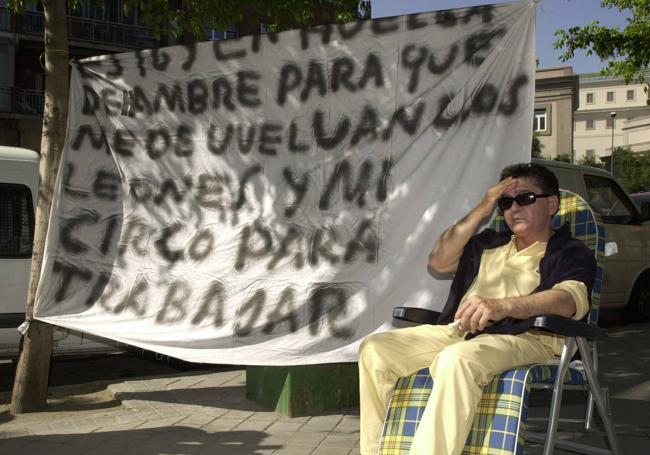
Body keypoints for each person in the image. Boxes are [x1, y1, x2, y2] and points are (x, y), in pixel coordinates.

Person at [358, 162, 596, 455]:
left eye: (525, 198)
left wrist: (502, 306)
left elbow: (567, 301)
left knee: (457, 359)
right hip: (460, 331)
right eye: (505, 203)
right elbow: (438, 260)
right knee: (376, 349)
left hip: (529, 337)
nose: (514, 209)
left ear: (552, 204)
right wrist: (482, 209)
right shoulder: (488, 244)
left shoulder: (569, 251)